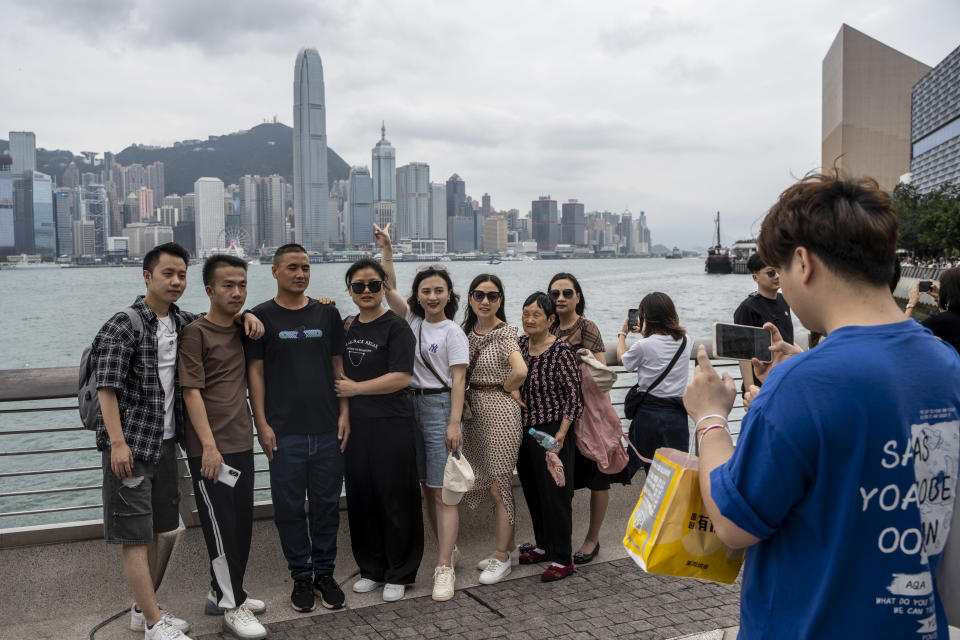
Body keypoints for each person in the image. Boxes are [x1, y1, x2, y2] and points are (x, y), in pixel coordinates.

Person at [684, 173, 960, 638]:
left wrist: (711, 418)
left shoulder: (802, 383)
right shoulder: (945, 360)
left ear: (803, 262)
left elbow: (734, 523)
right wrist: (808, 367)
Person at [91, 242, 262, 640]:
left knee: (163, 531)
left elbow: (220, 318)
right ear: (147, 276)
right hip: (130, 447)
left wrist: (249, 314)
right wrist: (117, 443)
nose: (175, 281)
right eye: (167, 274)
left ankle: (142, 609)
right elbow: (107, 388)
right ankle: (153, 622)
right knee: (135, 536)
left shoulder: (183, 321)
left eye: (181, 275)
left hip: (168, 445)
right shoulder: (123, 324)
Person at [245, 244, 348, 614]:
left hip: (326, 429)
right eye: (292, 267)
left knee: (326, 506)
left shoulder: (327, 313)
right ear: (274, 271)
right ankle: (300, 576)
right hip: (283, 432)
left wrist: (344, 413)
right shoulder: (259, 318)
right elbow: (254, 375)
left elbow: (339, 369)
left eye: (305, 267)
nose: (300, 273)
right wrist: (262, 423)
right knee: (288, 508)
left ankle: (324, 572)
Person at [375, 224, 468, 602]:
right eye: (426, 291)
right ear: (418, 295)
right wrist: (387, 251)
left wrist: (453, 423)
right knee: (428, 490)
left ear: (449, 295)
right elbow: (386, 287)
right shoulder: (411, 321)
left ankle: (444, 566)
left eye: (438, 291)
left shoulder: (452, 332)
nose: (432, 297)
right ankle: (450, 550)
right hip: (406, 405)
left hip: (438, 407)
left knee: (443, 491)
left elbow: (459, 382)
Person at [178, 255, 267, 640]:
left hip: (240, 442)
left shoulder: (242, 328)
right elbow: (191, 392)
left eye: (242, 285)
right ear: (209, 289)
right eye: (227, 285)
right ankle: (233, 607)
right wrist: (208, 447)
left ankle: (222, 593)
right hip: (209, 451)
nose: (236, 292)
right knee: (220, 529)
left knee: (241, 525)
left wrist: (246, 314)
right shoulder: (196, 333)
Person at [335, 258, 423, 603]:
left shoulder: (396, 326)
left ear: (384, 288)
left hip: (392, 423)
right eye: (359, 286)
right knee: (362, 498)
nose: (367, 291)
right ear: (350, 291)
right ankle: (372, 568)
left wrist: (356, 389)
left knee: (396, 497)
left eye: (374, 285)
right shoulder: (347, 326)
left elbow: (401, 377)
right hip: (356, 427)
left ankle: (400, 571)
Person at [546, 272, 626, 565]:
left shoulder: (587, 327)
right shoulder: (547, 325)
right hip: (557, 416)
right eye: (555, 294)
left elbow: (602, 372)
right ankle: (556, 540)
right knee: (560, 479)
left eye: (567, 293)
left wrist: (579, 363)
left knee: (597, 479)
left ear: (578, 296)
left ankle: (592, 538)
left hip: (591, 416)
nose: (561, 299)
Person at [460, 274, 528, 585]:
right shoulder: (466, 332)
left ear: (500, 299)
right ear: (470, 298)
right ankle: (509, 549)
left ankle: (501, 556)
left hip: (501, 413)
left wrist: (505, 387)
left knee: (499, 484)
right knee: (487, 480)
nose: (485, 301)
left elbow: (520, 370)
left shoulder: (504, 334)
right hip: (474, 414)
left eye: (492, 295)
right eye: (479, 295)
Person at [516, 292, 583, 582]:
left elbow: (573, 397)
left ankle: (562, 558)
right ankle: (543, 545)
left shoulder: (561, 351)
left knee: (556, 494)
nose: (529, 319)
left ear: (550, 319)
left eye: (536, 315)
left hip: (552, 431)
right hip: (524, 429)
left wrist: (561, 434)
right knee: (532, 489)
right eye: (526, 313)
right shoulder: (519, 345)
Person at [616, 292, 693, 473]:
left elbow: (622, 360)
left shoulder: (644, 346)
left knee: (653, 471)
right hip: (677, 416)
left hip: (650, 416)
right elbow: (662, 344)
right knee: (675, 470)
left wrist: (622, 333)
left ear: (646, 317)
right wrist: (645, 332)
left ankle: (655, 501)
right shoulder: (686, 341)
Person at [733, 253, 794, 392]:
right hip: (762, 384)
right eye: (771, 273)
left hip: (785, 380)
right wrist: (750, 389)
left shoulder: (784, 300)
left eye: (779, 271)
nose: (777, 276)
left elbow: (787, 338)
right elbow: (743, 354)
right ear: (756, 277)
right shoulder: (747, 308)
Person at [906, 267, 960, 354]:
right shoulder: (947, 319)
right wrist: (939, 299)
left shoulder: (939, 320)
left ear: (948, 290)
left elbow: (905, 336)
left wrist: (911, 304)